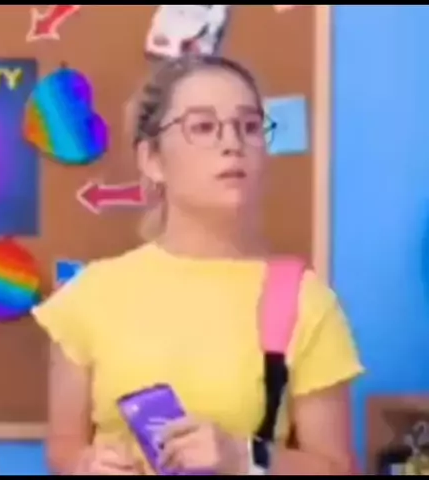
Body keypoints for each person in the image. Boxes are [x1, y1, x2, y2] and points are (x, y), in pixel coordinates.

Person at [34, 55, 362, 475]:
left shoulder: (304, 302)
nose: (233, 143)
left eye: (249, 126)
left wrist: (245, 458)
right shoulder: (88, 296)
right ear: (152, 159)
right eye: (203, 127)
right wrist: (85, 465)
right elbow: (64, 450)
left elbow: (337, 468)